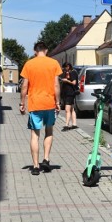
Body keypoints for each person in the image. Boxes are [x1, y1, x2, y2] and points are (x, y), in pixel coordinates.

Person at [19, 41, 62, 175]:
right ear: (46, 50)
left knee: (34, 135)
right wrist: (58, 102)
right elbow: (56, 86)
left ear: (34, 51)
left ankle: (36, 166)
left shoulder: (29, 64)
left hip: (35, 104)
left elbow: (24, 86)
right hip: (49, 103)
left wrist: (22, 103)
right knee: (49, 131)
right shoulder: (54, 63)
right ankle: (46, 159)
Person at [60, 63, 78, 131]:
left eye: (65, 68)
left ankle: (66, 125)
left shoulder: (72, 73)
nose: (64, 70)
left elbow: (74, 82)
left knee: (67, 110)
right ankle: (74, 124)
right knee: (72, 109)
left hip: (70, 93)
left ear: (68, 67)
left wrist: (66, 80)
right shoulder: (71, 72)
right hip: (70, 93)